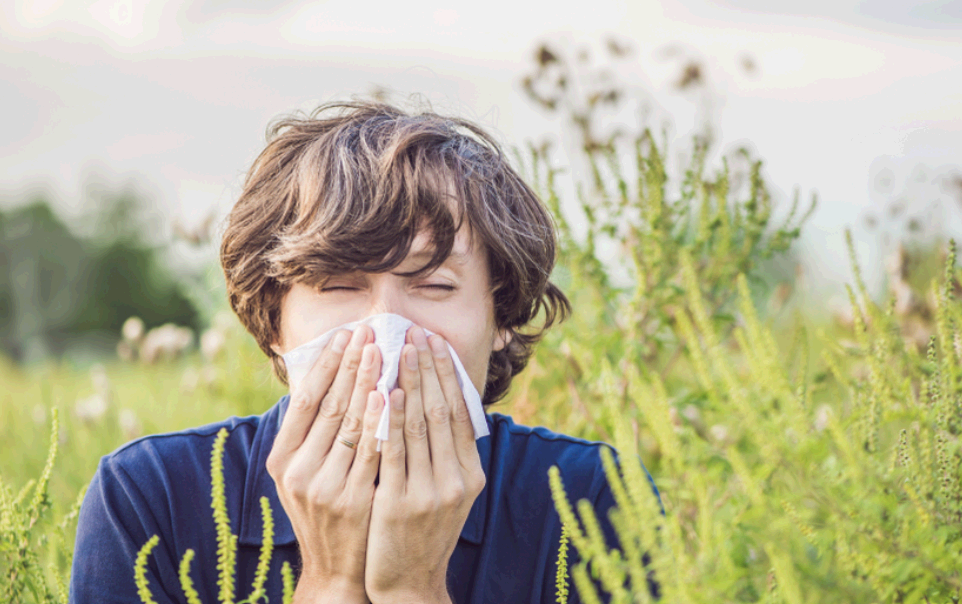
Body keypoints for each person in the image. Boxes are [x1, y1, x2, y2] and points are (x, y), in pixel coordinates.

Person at [69, 99, 659, 603]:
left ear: (501, 316)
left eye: (433, 285)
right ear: (273, 320)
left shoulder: (591, 501)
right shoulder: (153, 500)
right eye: (340, 286)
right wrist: (331, 582)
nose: (387, 329)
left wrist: (412, 589)